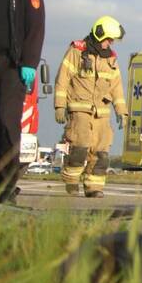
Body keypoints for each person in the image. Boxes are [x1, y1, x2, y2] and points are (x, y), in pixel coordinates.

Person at [0, 0, 45, 203]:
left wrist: (30, 63)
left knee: (5, 122)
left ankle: (6, 187)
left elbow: (35, 28)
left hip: (12, 66)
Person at [55, 16, 127, 197]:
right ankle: (71, 182)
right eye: (109, 39)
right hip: (80, 109)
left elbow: (116, 87)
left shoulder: (111, 59)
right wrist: (59, 106)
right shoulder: (77, 51)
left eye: (113, 40)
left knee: (101, 153)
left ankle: (94, 187)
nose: (110, 43)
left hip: (102, 113)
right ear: (99, 33)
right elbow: (63, 79)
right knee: (79, 148)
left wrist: (122, 112)